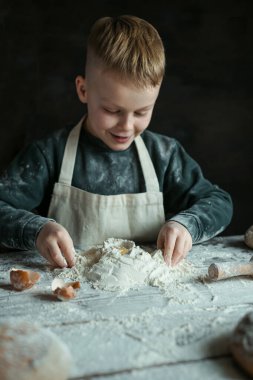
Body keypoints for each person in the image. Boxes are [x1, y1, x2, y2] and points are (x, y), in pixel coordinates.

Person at [0, 15, 233, 268]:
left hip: (150, 295)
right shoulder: (48, 154)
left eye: (142, 112)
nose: (127, 126)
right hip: (71, 291)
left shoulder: (164, 156)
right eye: (112, 110)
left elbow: (219, 202)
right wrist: (36, 229)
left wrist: (187, 224)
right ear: (83, 90)